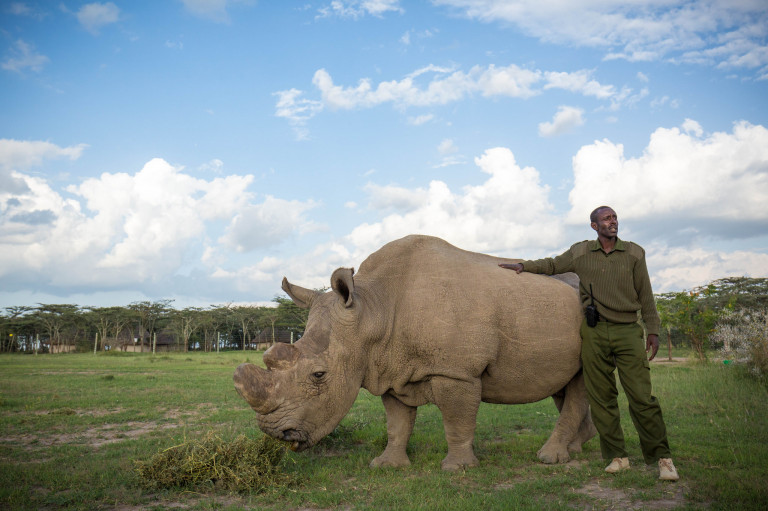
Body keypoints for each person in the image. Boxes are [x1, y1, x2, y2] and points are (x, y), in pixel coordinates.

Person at [499, 206, 679, 481]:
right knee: (602, 398)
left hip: (628, 331)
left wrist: (652, 330)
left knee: (642, 398)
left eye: (615, 217)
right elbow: (552, 265)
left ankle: (662, 459)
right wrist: (524, 266)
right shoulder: (581, 252)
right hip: (594, 333)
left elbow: (646, 295)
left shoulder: (633, 252)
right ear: (594, 226)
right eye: (606, 219)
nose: (613, 222)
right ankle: (617, 457)